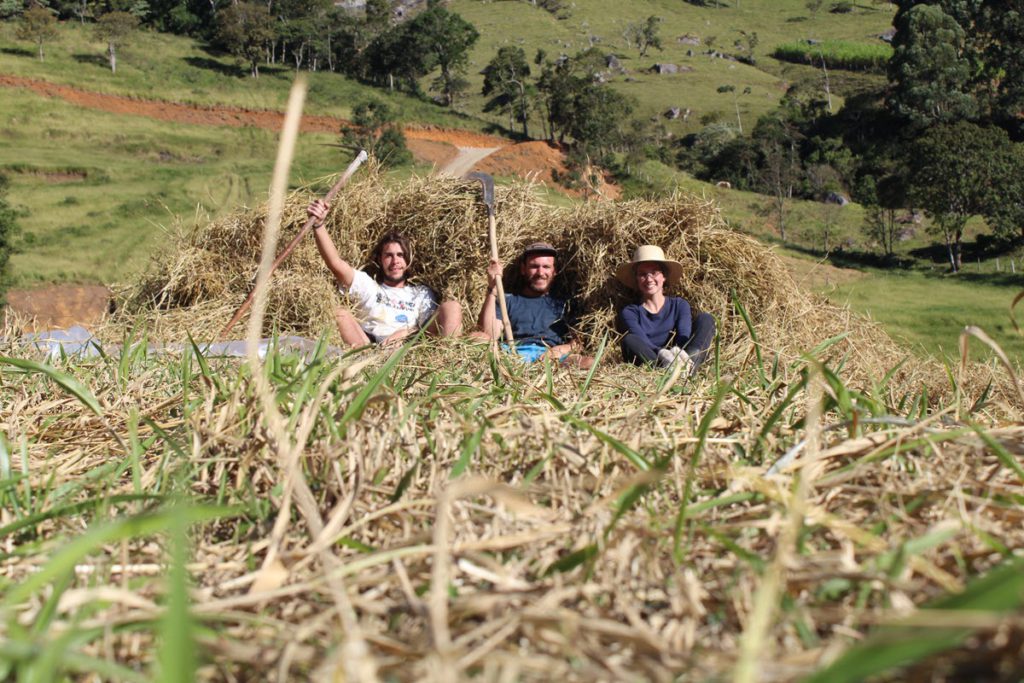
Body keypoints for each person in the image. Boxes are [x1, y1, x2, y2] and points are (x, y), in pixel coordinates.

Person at [307, 199, 461, 346]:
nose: (395, 261)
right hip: (369, 347)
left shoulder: (421, 293)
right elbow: (335, 263)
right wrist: (319, 225)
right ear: (380, 260)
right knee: (340, 313)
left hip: (409, 347)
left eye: (400, 255)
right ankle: (363, 358)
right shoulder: (368, 286)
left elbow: (427, 330)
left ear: (408, 260)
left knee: (452, 306)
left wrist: (404, 333)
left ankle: (449, 357)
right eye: (389, 255)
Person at [474, 241, 594, 369]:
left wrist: (559, 350)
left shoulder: (566, 303)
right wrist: (492, 289)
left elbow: (578, 342)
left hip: (553, 357)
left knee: (589, 362)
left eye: (546, 267)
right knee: (477, 337)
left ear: (554, 271)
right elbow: (490, 334)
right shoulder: (507, 301)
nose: (540, 272)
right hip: (510, 354)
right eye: (534, 266)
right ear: (523, 269)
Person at [615, 245, 715, 376]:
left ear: (664, 276)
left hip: (681, 357)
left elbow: (683, 333)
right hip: (653, 360)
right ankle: (663, 371)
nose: (649, 279)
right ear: (637, 279)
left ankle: (690, 367)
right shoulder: (630, 312)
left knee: (706, 319)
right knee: (629, 340)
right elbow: (640, 339)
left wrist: (678, 353)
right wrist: (661, 353)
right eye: (642, 274)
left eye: (654, 272)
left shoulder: (679, 305)